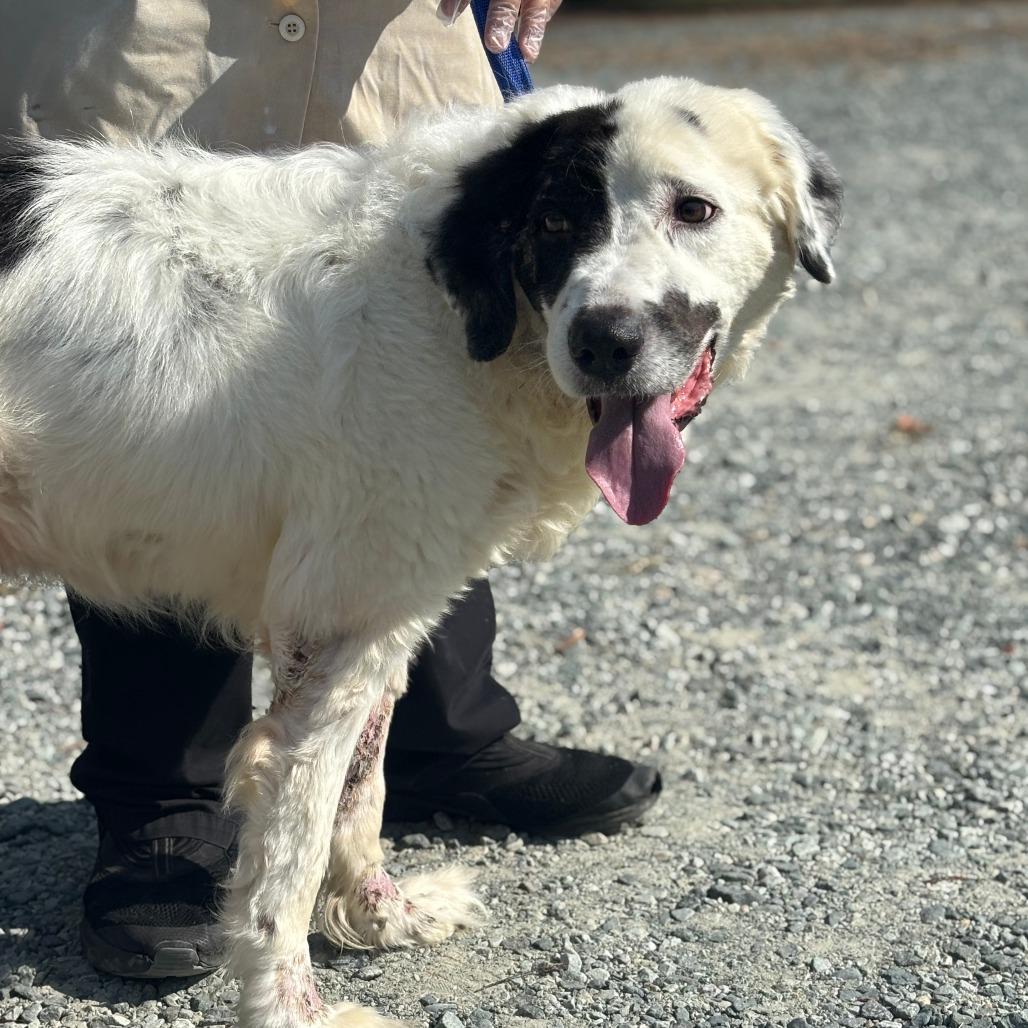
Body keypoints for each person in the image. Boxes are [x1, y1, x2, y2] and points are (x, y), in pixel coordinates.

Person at [0, 0, 661, 980]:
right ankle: (169, 809)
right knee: (155, 454)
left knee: (431, 459)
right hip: (155, 47)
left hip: (392, 70)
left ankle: (417, 781)